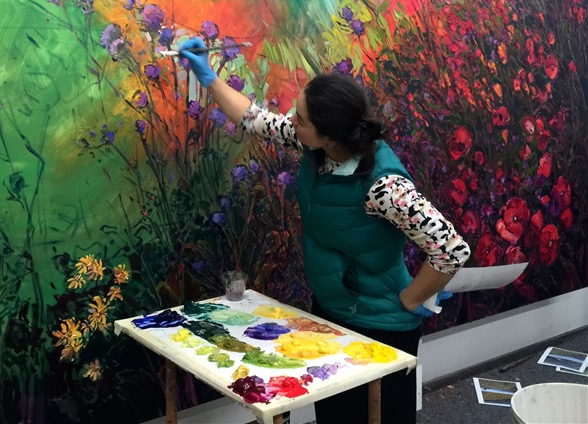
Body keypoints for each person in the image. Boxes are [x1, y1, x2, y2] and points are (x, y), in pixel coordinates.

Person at [178, 37, 471, 424]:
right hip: (332, 314)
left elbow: (451, 249)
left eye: (299, 118)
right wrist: (208, 76)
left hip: (381, 330)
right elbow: (255, 119)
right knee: (334, 416)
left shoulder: (384, 187)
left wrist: (411, 300)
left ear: (330, 134)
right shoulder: (317, 148)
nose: (290, 120)